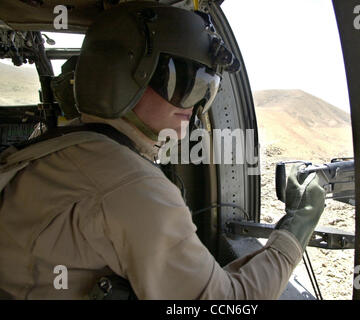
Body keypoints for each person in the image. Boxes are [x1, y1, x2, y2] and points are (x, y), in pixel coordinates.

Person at [0, 2, 325, 299]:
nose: (196, 104)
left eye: (206, 90)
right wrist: (298, 224)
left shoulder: (64, 145)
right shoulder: (132, 186)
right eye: (184, 82)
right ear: (125, 76)